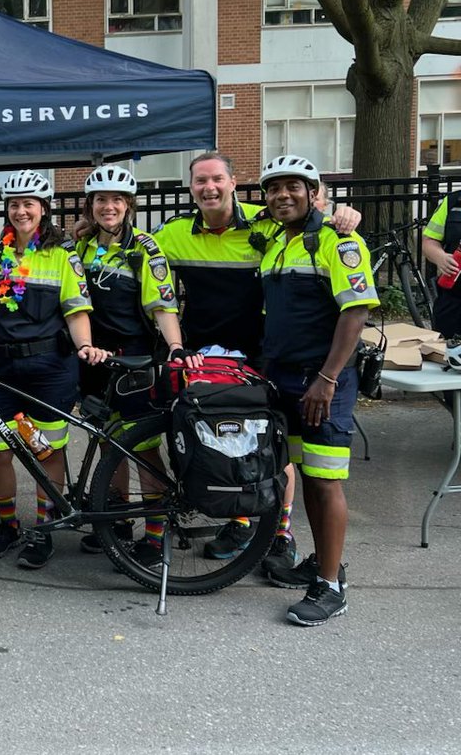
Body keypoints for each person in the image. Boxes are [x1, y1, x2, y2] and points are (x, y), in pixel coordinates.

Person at [149, 154, 360, 572]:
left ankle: (280, 533)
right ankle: (243, 521)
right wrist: (87, 227)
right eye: (200, 181)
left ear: (233, 182)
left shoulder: (267, 226)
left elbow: (312, 221)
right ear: (191, 188)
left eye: (217, 179)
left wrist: (345, 213)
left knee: (272, 446)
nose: (209, 187)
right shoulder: (170, 234)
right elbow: (136, 251)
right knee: (223, 442)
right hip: (205, 356)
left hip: (262, 353)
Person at [254, 155, 376, 626]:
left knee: (325, 481)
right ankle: (323, 561)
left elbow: (355, 312)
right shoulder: (275, 241)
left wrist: (327, 380)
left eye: (294, 187)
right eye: (274, 188)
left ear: (314, 192)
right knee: (304, 472)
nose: (283, 195)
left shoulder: (338, 242)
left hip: (322, 381)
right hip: (284, 377)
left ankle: (330, 586)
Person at [0, 169, 109, 569]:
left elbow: (77, 309)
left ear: (43, 209)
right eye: (14, 204)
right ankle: (9, 525)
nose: (21, 211)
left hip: (50, 366)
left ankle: (45, 530)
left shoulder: (63, 255)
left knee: (48, 452)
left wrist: (85, 346)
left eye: (29, 204)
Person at [72, 165, 193, 566]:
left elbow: (162, 304)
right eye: (101, 200)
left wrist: (175, 346)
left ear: (129, 205)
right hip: (94, 359)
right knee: (108, 442)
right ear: (90, 206)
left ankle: (156, 537)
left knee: (142, 447)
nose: (109, 207)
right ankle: (118, 521)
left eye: (117, 200)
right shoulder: (84, 245)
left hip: (134, 361)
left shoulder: (145, 248)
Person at [422, 190, 461, 337]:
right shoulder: (452, 202)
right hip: (453, 300)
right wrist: (440, 257)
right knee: (444, 353)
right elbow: (429, 241)